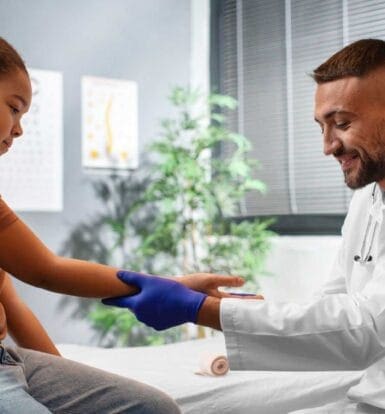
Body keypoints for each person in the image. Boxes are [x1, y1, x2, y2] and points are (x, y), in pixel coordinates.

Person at [103, 38, 385, 413]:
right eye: (321, 127)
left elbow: (365, 329)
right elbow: (333, 306)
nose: (327, 146)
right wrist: (234, 308)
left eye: (342, 124)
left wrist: (202, 310)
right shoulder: (366, 200)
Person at [0, 36, 249, 414]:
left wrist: (172, 288)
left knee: (152, 408)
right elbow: (45, 273)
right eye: (14, 109)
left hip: (8, 361)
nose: (19, 129)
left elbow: (29, 284)